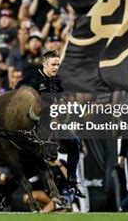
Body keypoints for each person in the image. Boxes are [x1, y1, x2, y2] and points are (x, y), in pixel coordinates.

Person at [16, 50, 85, 198]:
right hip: (34, 123)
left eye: (58, 65)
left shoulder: (58, 80)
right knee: (29, 158)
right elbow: (17, 93)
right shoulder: (32, 79)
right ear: (44, 64)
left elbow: (62, 100)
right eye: (53, 64)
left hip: (52, 122)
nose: (56, 68)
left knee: (75, 142)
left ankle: (72, 181)